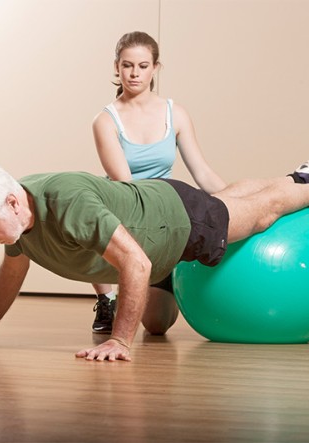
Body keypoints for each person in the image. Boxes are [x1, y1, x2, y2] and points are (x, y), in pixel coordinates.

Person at [0, 159, 309, 362]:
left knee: (257, 216)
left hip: (173, 224)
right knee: (158, 322)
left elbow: (135, 265)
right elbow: (12, 272)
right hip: (154, 230)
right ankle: (299, 176)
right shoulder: (19, 219)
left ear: (11, 203)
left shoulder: (66, 203)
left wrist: (120, 342)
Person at [89, 31, 227, 334]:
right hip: (126, 208)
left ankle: (168, 275)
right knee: (92, 220)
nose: (134, 73)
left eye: (142, 65)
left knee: (157, 324)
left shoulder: (175, 114)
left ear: (155, 68)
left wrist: (230, 203)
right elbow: (125, 185)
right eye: (127, 65)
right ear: (117, 67)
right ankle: (107, 299)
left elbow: (201, 172)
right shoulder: (106, 121)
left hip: (164, 212)